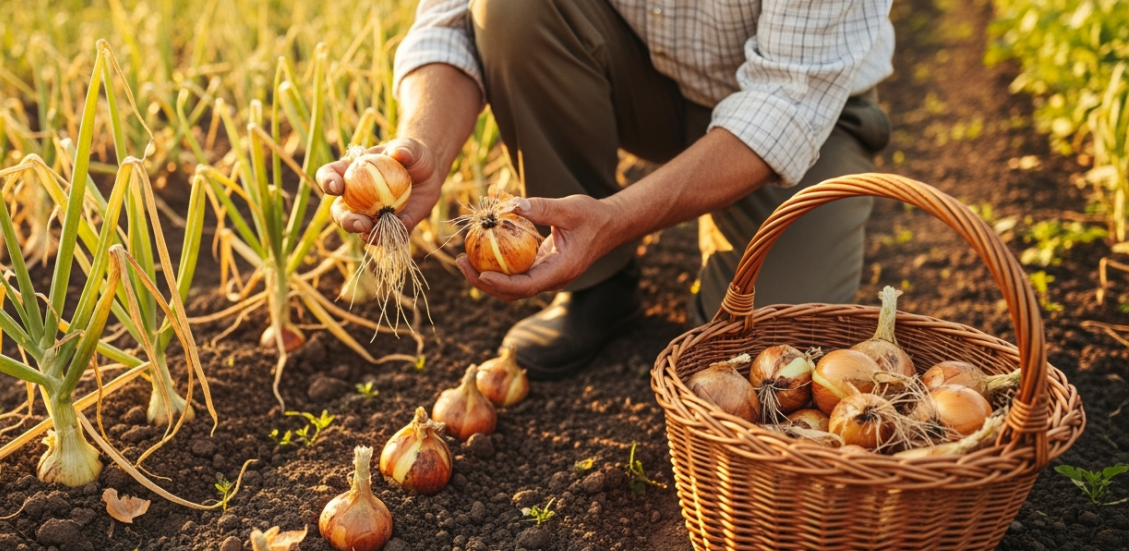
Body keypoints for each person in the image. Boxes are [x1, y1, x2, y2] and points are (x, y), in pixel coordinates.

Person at [317, 0, 894, 380]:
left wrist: (615, 217)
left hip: (807, 115)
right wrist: (421, 150)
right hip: (636, 77)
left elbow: (788, 101)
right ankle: (597, 285)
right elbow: (451, 21)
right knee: (510, 10)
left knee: (766, 360)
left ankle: (622, 236)